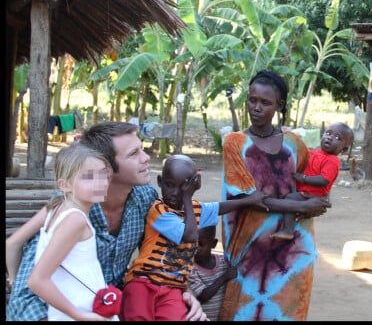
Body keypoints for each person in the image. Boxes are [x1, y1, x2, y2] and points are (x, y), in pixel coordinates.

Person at [6, 122, 207, 321]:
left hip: (112, 304)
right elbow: (26, 294)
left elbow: (160, 255)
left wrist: (184, 291)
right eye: (133, 154)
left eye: (142, 150)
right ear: (106, 166)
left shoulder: (145, 198)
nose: (146, 158)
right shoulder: (69, 207)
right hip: (63, 310)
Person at [218, 69, 331, 321]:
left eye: (265, 102)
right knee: (243, 310)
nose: (256, 107)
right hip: (250, 246)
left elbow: (303, 184)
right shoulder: (235, 143)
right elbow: (249, 199)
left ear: (279, 106)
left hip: (295, 246)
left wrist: (316, 201)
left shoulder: (294, 143)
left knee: (288, 309)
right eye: (252, 100)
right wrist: (301, 206)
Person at [121, 154, 268, 321]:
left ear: (194, 185)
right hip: (144, 281)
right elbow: (190, 236)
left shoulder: (195, 209)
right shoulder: (160, 211)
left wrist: (249, 201)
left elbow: (220, 208)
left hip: (174, 287)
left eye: (183, 188)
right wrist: (187, 197)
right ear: (160, 182)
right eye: (169, 185)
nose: (175, 193)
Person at [25, 143, 115, 320]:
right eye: (88, 177)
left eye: (103, 174)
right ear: (64, 185)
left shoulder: (57, 209)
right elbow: (37, 280)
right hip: (80, 311)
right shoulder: (75, 220)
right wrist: (80, 315)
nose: (100, 183)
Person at [272, 121, 354, 240]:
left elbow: (324, 180)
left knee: (290, 199)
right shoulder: (314, 153)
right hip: (306, 192)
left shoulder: (332, 161)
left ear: (344, 149)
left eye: (337, 138)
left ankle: (287, 230)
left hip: (313, 195)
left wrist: (304, 178)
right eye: (328, 133)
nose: (330, 138)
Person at [187, 225, 237, 321]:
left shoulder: (223, 261)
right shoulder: (190, 268)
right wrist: (224, 277)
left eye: (201, 244)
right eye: (192, 244)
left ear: (213, 244)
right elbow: (203, 295)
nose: (196, 248)